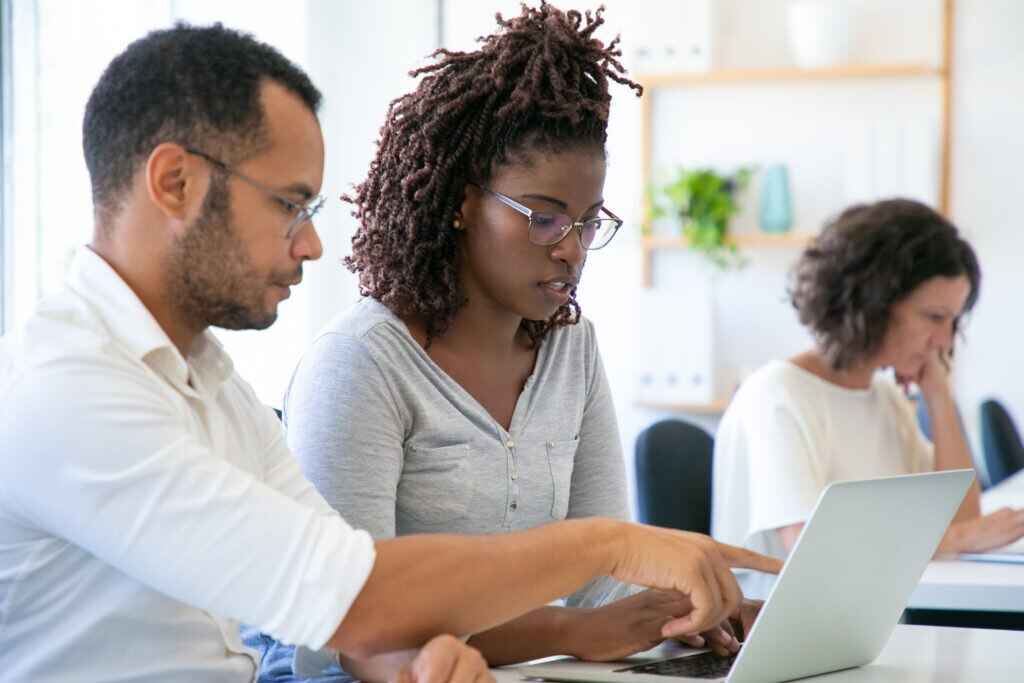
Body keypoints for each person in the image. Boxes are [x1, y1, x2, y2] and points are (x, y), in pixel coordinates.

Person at [0, 22, 781, 683]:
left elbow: (356, 598)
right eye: (287, 204)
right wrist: (612, 544)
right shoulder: (65, 387)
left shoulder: (216, 389)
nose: (310, 243)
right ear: (174, 182)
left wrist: (422, 658)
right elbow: (348, 597)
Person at [243, 5, 763, 678]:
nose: (572, 250)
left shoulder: (573, 351)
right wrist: (570, 629)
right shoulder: (360, 364)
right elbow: (348, 633)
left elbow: (607, 583)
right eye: (544, 218)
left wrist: (680, 611)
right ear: (462, 201)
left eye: (588, 220)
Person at [711, 198, 1024, 599]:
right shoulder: (776, 396)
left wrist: (938, 393)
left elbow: (963, 518)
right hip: (788, 641)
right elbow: (814, 553)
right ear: (874, 303)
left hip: (866, 631)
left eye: (953, 322)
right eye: (934, 317)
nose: (946, 342)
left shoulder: (886, 401)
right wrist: (957, 538)